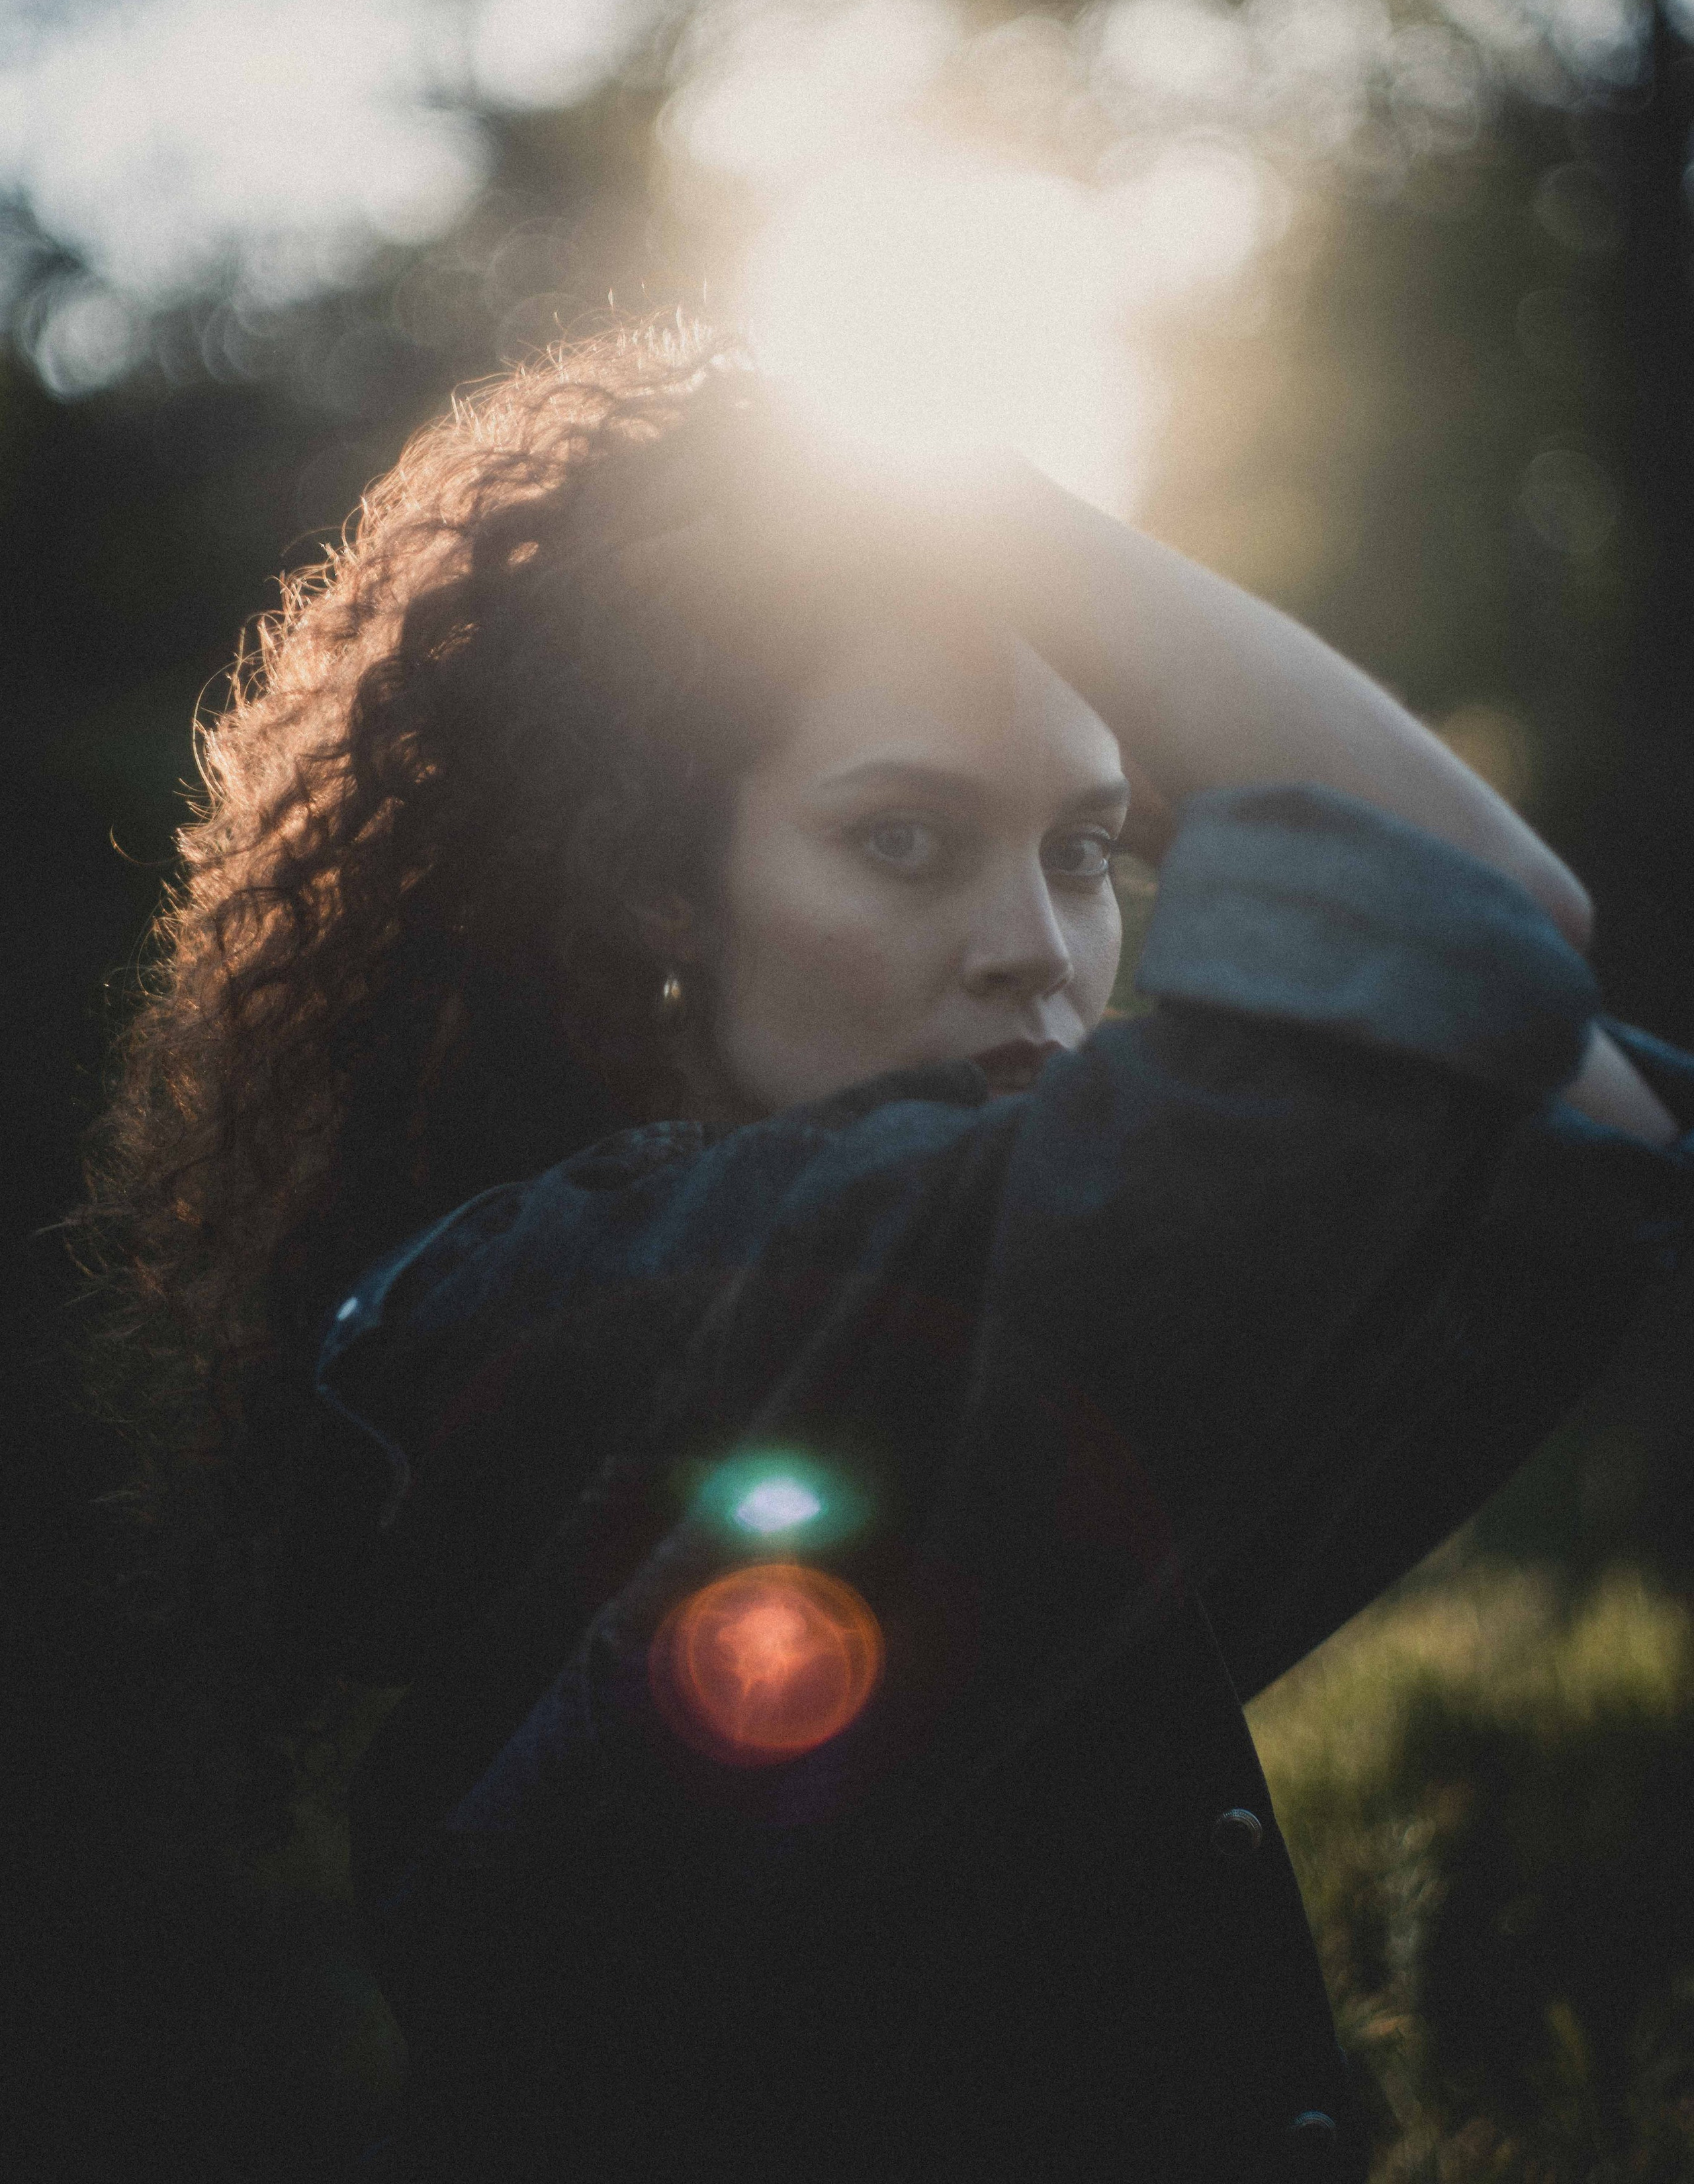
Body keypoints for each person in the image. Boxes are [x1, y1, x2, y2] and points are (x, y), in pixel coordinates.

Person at [87, 327, 1693, 2183]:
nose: (1037, 947)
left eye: (1092, 853)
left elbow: (1587, 1125)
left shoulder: (950, 1339)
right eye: (906, 840)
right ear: (652, 885)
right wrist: (964, 497)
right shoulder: (627, 1308)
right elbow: (1493, 922)